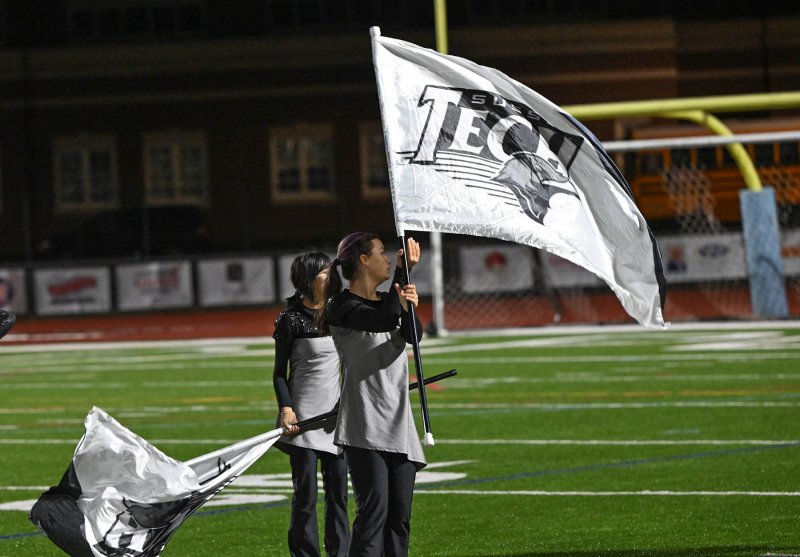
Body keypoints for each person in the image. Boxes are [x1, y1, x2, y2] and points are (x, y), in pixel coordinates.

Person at [317, 233, 425, 557]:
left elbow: (412, 334)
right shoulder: (341, 305)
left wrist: (410, 304)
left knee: (400, 518)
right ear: (364, 260)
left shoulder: (390, 300)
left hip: (399, 419)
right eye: (381, 252)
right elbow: (381, 321)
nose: (388, 258)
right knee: (374, 510)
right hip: (364, 422)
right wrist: (404, 275)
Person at [273, 251, 349, 557]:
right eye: (323, 272)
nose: (329, 276)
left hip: (336, 419)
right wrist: (286, 408)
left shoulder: (341, 315)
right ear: (307, 280)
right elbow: (279, 374)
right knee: (304, 496)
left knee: (339, 496)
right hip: (302, 420)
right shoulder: (290, 319)